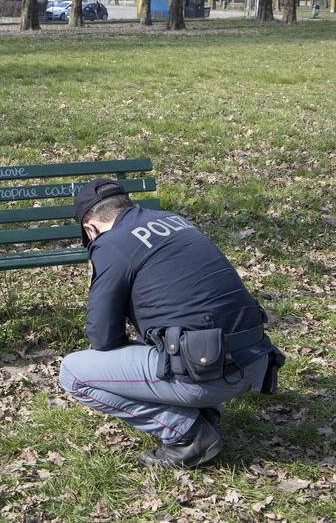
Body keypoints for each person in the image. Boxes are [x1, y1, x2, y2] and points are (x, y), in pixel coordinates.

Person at [59, 180, 285, 468]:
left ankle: (188, 434)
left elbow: (102, 337)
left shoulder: (110, 243)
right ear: (125, 204)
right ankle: (204, 413)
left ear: (90, 229)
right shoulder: (174, 220)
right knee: (170, 332)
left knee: (72, 372)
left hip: (210, 374)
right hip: (253, 361)